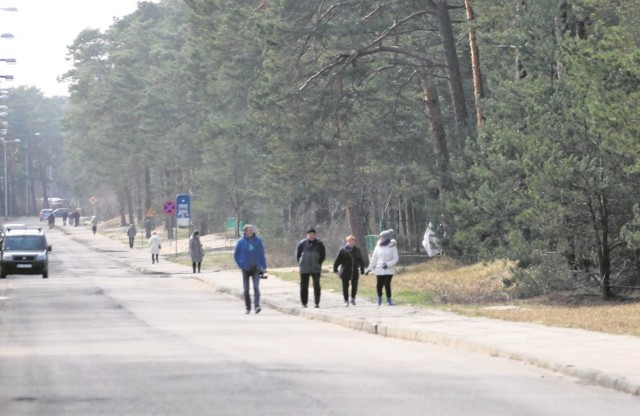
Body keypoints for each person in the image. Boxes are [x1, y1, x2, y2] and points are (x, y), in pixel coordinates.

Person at [233, 224, 267, 314]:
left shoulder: (258, 241)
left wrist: (264, 266)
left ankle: (257, 306)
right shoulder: (241, 242)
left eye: (252, 229)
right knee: (246, 289)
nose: (252, 231)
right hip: (245, 269)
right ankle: (248, 307)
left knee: (256, 287)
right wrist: (241, 265)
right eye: (250, 230)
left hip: (256, 268)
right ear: (245, 231)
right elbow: (236, 255)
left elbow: (262, 254)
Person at [365, 229, 399, 306]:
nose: (381, 239)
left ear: (387, 238)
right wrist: (369, 269)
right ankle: (379, 299)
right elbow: (374, 258)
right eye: (380, 237)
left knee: (387, 284)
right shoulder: (378, 246)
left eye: (382, 237)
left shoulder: (392, 246)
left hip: (389, 269)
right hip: (379, 268)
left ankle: (389, 300)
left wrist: (388, 264)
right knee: (379, 284)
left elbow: (396, 258)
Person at [333, 235, 367, 307]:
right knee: (345, 286)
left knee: (354, 285)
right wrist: (335, 268)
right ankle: (346, 300)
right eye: (349, 241)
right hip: (345, 270)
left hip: (354, 270)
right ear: (347, 242)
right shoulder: (343, 250)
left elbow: (361, 260)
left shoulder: (357, 250)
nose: (351, 243)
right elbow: (337, 260)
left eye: (352, 241)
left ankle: (353, 298)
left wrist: (362, 269)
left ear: (354, 242)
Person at [295, 228, 325, 308]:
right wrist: (301, 263)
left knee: (316, 285)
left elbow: (323, 255)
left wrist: (319, 263)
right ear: (307, 235)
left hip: (316, 268)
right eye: (310, 234)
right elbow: (298, 255)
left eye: (313, 234)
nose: (311, 236)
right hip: (304, 268)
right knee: (304, 286)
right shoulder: (302, 243)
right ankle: (304, 303)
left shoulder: (319, 244)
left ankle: (317, 302)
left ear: (315, 235)